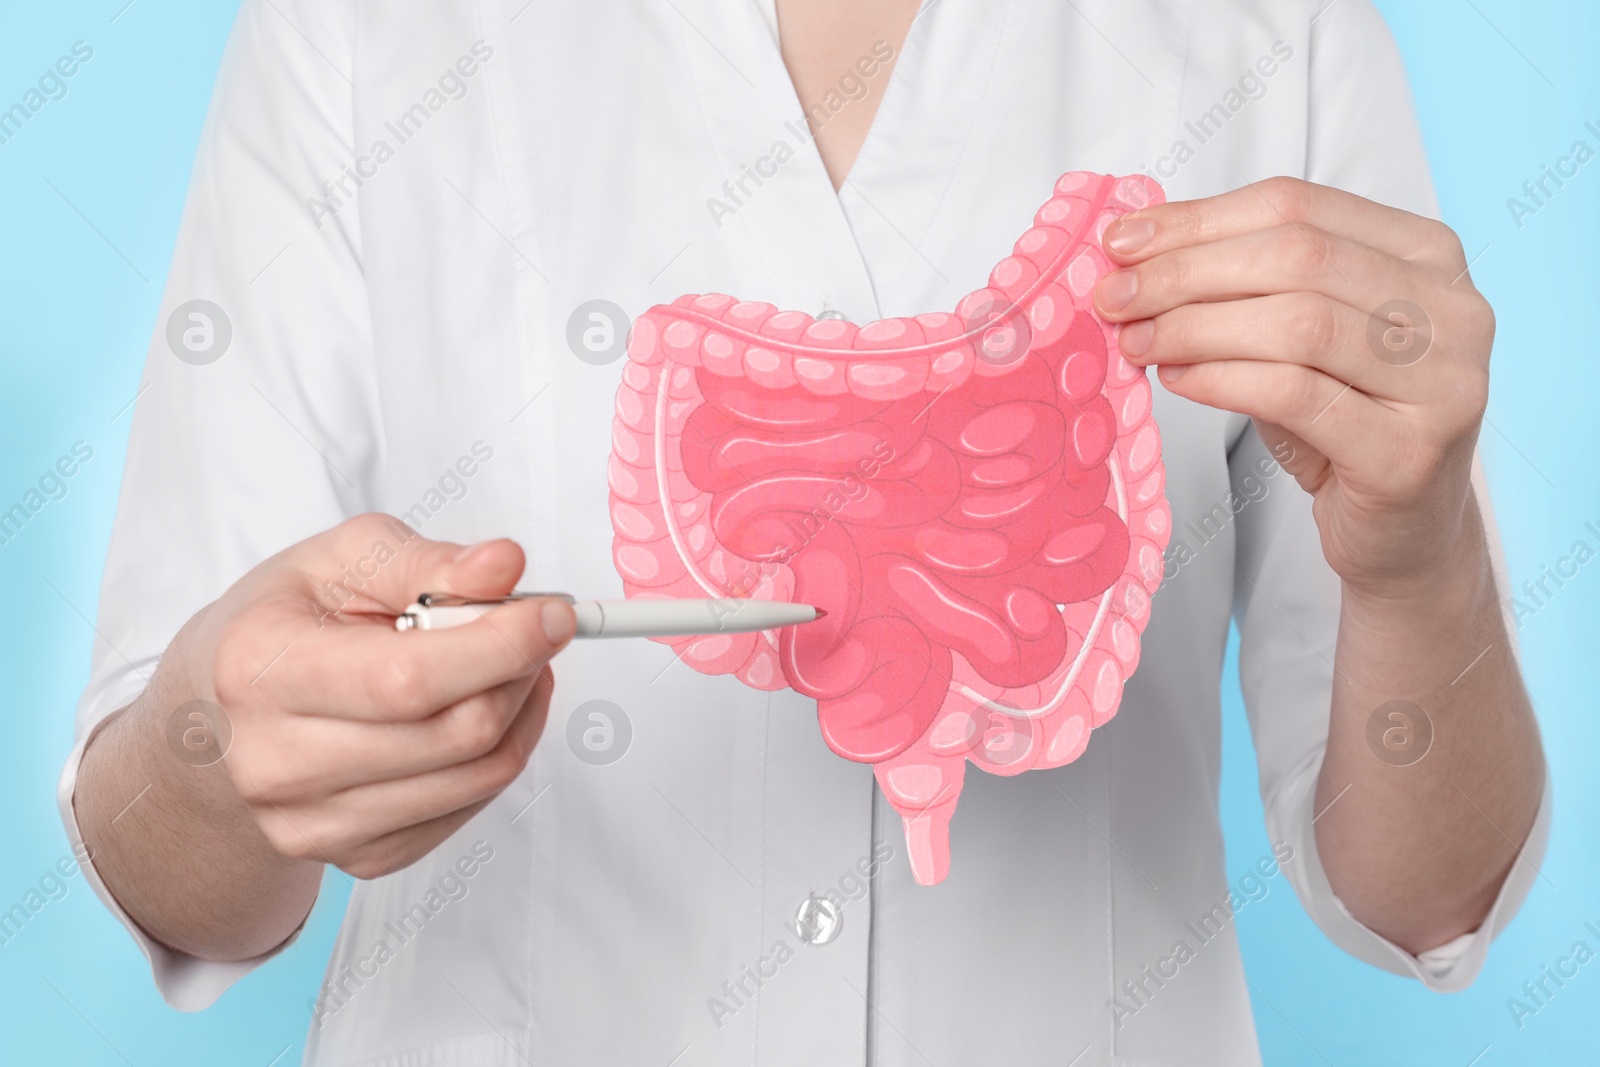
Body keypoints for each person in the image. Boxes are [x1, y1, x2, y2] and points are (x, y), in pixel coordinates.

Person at [61, 1, 1548, 1064]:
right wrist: (221, 746)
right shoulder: (355, 32)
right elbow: (157, 864)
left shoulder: (1275, 38)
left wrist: (1419, 564)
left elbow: (1422, 905)